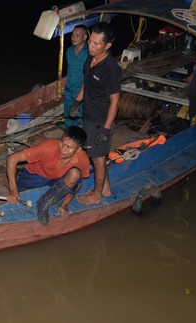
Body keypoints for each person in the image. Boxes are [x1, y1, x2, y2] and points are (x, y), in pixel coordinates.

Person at [70, 22, 121, 205]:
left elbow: (115, 102)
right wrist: (78, 100)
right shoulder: (90, 58)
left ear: (107, 45)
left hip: (101, 121)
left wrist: (106, 130)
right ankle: (105, 189)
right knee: (96, 156)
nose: (91, 46)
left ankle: (97, 195)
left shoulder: (111, 69)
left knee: (97, 159)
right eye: (90, 41)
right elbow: (87, 82)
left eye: (96, 43)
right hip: (89, 116)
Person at [6, 126, 90, 225]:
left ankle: (44, 203)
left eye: (69, 147)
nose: (63, 149)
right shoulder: (47, 147)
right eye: (62, 143)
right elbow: (12, 159)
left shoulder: (82, 159)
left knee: (76, 174)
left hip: (57, 179)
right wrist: (13, 190)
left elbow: (78, 183)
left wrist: (64, 205)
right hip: (35, 176)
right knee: (18, 199)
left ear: (78, 149)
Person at [64, 25, 89, 127]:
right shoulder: (69, 51)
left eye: (78, 35)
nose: (74, 38)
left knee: (84, 116)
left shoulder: (90, 53)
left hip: (83, 91)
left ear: (85, 37)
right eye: (73, 35)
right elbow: (69, 71)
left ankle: (85, 135)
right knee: (69, 114)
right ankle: (70, 132)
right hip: (69, 89)